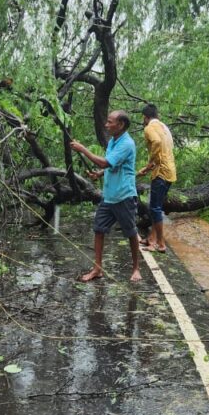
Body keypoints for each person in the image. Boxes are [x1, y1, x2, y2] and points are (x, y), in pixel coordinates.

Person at [70, 110, 141, 283]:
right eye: (107, 121)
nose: (106, 124)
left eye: (110, 122)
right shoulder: (113, 142)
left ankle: (136, 268)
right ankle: (97, 269)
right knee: (99, 230)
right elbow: (110, 164)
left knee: (131, 232)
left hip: (124, 196)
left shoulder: (127, 144)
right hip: (109, 196)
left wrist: (82, 149)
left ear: (121, 125)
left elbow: (104, 161)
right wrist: (100, 174)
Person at [137, 103, 176, 253]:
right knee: (157, 208)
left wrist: (149, 165)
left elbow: (157, 143)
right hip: (170, 171)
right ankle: (152, 239)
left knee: (154, 208)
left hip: (161, 173)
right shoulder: (164, 127)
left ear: (145, 118)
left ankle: (160, 244)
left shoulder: (149, 128)